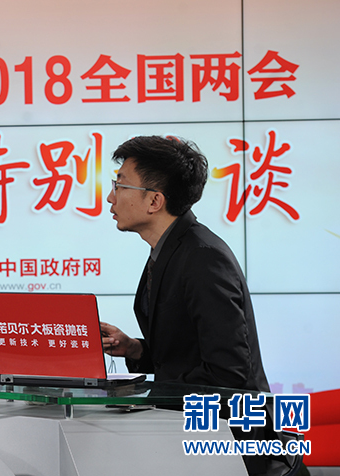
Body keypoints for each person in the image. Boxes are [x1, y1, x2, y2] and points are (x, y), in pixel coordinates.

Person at [99, 135, 286, 476]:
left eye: (120, 185)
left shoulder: (203, 257)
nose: (111, 197)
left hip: (229, 442)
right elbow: (187, 352)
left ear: (154, 200)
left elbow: (228, 372)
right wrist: (136, 349)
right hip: (193, 433)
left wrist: (147, 394)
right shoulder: (171, 250)